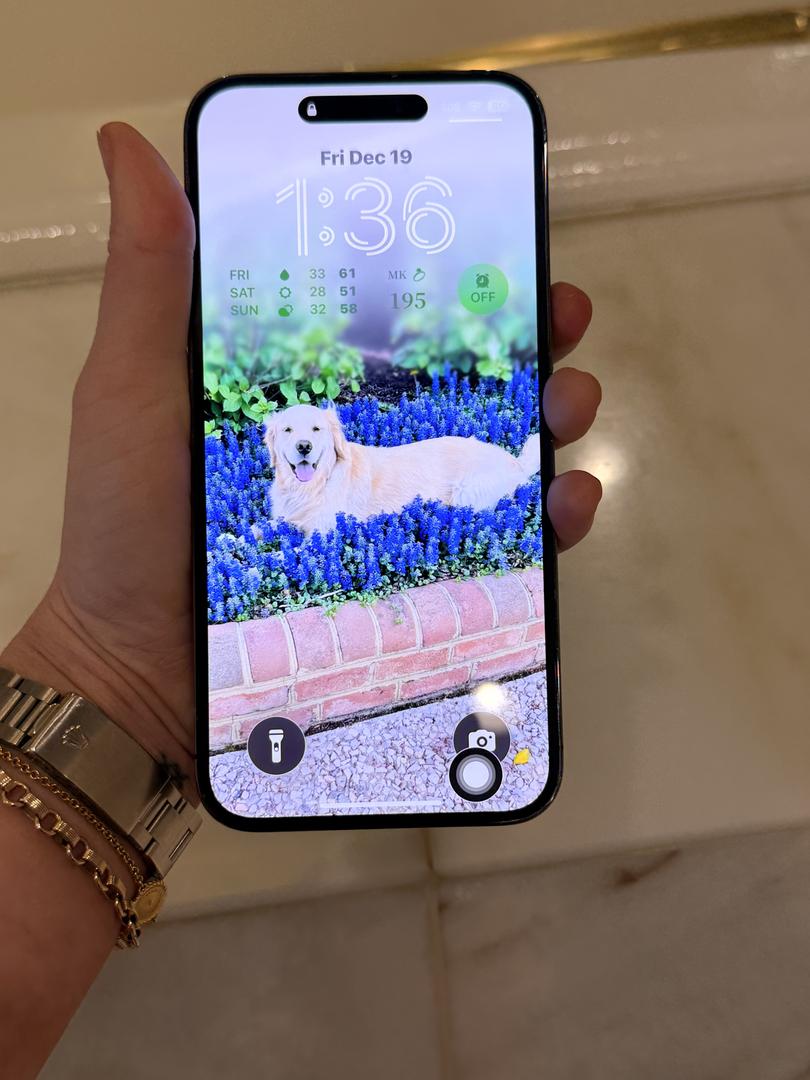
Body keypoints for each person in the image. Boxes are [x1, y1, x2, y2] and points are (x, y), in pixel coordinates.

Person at [0, 123, 603, 1077]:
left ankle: (514, 467)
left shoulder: (360, 465)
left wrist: (102, 682)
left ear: (332, 435)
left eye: (316, 434)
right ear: (278, 445)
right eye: (293, 439)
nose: (307, 446)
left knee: (513, 479)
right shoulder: (286, 475)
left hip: (454, 469)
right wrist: (106, 675)